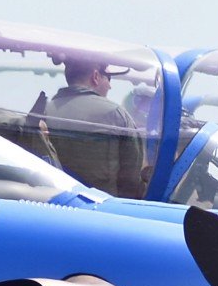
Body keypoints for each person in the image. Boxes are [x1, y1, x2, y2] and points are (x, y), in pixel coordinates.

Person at [39, 58, 147, 198]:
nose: (110, 86)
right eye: (108, 79)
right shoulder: (116, 114)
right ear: (95, 77)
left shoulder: (41, 112)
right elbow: (132, 179)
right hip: (103, 210)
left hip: (49, 205)